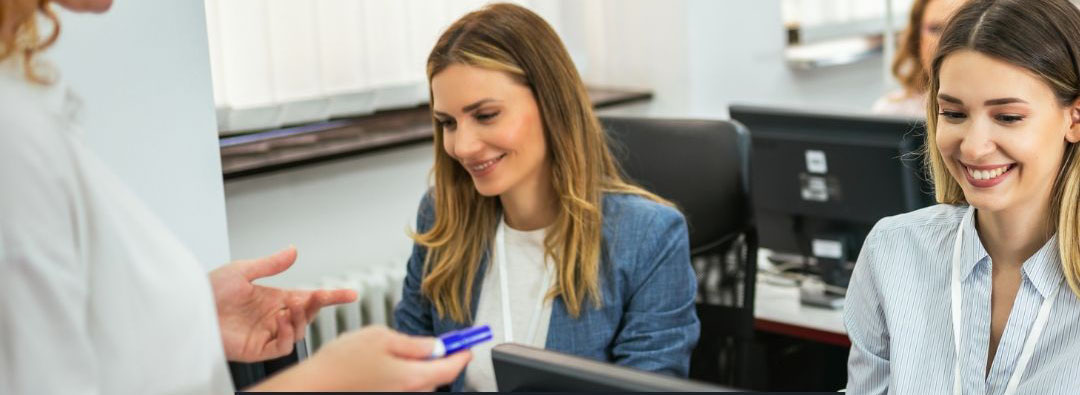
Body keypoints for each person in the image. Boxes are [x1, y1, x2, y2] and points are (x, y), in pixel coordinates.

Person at [0, 0, 469, 392]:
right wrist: (325, 380)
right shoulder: (15, 137)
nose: (464, 145)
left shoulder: (26, 111)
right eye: (447, 122)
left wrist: (193, 310)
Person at [392, 3, 700, 392]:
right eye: (447, 123)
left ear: (551, 105)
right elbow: (408, 369)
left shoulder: (648, 238)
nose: (463, 146)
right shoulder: (442, 216)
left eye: (486, 115)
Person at [846, 0, 1080, 393]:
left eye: (1007, 117)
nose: (972, 148)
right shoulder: (893, 251)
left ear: (1074, 119)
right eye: (954, 114)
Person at [872, 0, 966, 117]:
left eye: (960, 29)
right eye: (936, 29)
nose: (944, 43)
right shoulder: (892, 112)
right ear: (917, 38)